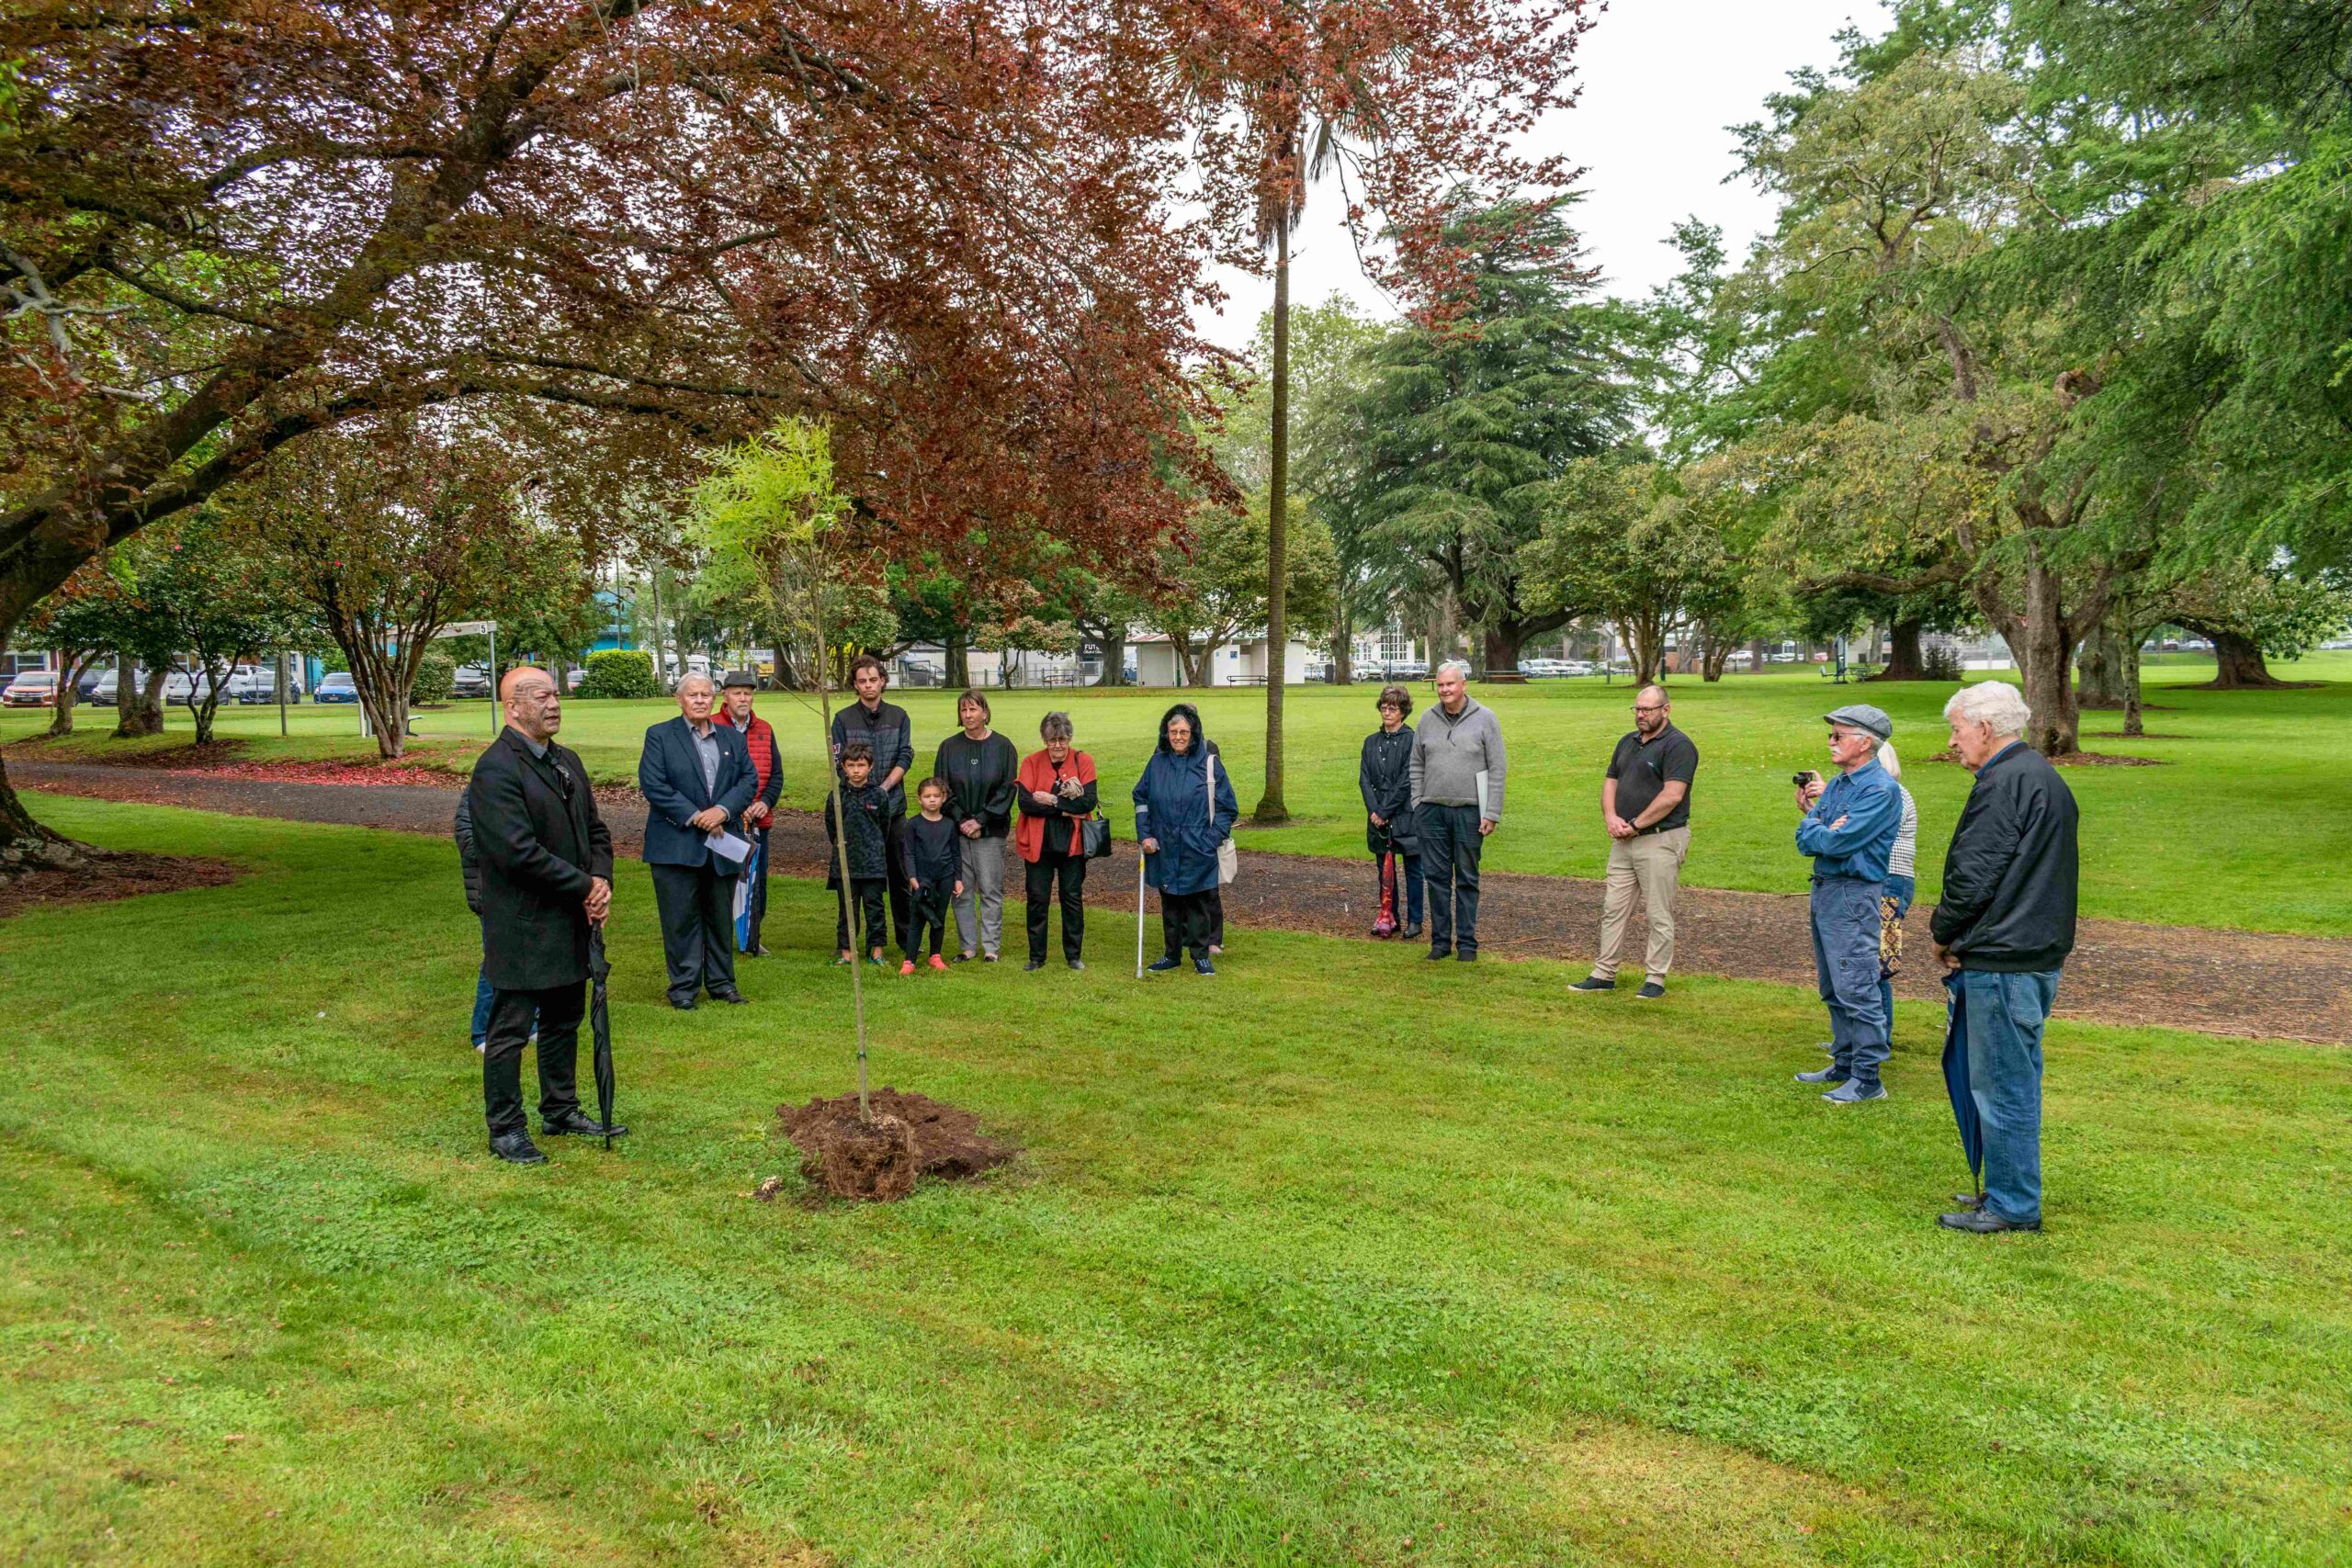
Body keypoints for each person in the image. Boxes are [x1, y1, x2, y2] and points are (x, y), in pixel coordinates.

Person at [1932, 682, 2079, 1235]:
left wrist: (1942, 932)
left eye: (1957, 730)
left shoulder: (2005, 782)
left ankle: (2013, 1204)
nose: (1952, 742)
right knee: (2009, 1078)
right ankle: (2005, 1188)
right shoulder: (2039, 775)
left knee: (2002, 1084)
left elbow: (1974, 876)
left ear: (1985, 730)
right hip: (2029, 949)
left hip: (2006, 956)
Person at [466, 666, 617, 1164]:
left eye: (557, 694)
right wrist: (585, 886)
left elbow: (595, 831)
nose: (555, 704)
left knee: (564, 1018)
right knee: (509, 1028)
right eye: (543, 696)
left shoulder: (565, 760)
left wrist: (601, 881)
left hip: (571, 919)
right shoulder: (495, 769)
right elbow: (517, 852)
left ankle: (560, 1108)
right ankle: (506, 1127)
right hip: (524, 923)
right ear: (513, 707)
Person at [1791, 704, 1905, 1104]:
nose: (1831, 742)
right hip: (1825, 887)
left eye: (1839, 735)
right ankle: (1843, 1062)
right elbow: (1808, 838)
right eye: (1831, 735)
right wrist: (1819, 825)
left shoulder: (1879, 789)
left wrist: (1822, 829)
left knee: (1856, 984)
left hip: (1853, 894)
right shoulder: (1840, 784)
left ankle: (1868, 1076)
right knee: (1833, 985)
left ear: (1865, 742)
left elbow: (1837, 842)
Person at [1570, 684, 1698, 999]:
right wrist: (1611, 817)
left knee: (1658, 913)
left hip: (1660, 838)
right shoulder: (1627, 742)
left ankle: (1655, 977)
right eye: (1637, 709)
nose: (1641, 715)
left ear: (1665, 710)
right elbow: (1610, 781)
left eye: (1647, 710)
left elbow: (1673, 795)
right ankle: (1604, 973)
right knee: (1613, 909)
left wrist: (1636, 824)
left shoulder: (1679, 746)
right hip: (1623, 840)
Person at [639, 672, 756, 1010]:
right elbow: (654, 784)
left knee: (719, 917)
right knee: (680, 919)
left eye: (706, 694)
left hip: (722, 842)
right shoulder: (660, 735)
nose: (700, 700)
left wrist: (721, 810)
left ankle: (722, 983)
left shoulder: (732, 738)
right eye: (693, 695)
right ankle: (684, 988)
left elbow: (749, 780)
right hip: (675, 844)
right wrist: (696, 816)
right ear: (680, 700)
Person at [1409, 660, 1506, 962]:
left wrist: (1492, 812)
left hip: (1469, 812)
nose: (1444, 690)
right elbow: (1416, 764)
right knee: (1436, 879)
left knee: (1467, 878)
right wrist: (1417, 803)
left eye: (1450, 684)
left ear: (1464, 685)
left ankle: (1467, 944)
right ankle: (1440, 943)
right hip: (1432, 812)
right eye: (1440, 685)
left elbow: (1498, 768)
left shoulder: (1486, 719)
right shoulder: (1427, 719)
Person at [1134, 702, 1238, 976]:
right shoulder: (1156, 763)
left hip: (1197, 844)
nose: (1178, 737)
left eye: (1183, 731)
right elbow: (1141, 797)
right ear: (1165, 733)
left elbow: (1228, 807)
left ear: (1194, 732)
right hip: (1165, 843)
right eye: (1173, 731)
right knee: (1170, 901)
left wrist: (1211, 838)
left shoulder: (1209, 764)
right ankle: (1172, 954)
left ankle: (1200, 955)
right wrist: (1145, 834)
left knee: (1198, 903)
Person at [829, 654, 915, 952]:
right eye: (862, 681)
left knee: (900, 876)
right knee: (859, 880)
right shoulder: (843, 719)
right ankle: (852, 943)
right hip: (858, 813)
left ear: (882, 681)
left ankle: (907, 939)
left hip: (894, 807)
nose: (868, 685)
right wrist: (864, 791)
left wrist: (884, 787)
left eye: (873, 679)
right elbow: (838, 761)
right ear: (855, 684)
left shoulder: (899, 716)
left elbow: (906, 755)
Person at [933, 690, 1019, 962]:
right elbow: (941, 788)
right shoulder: (948, 747)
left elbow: (1007, 790)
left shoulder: (1003, 747)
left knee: (991, 890)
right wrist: (961, 819)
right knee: (961, 890)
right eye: (963, 710)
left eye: (973, 709)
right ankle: (968, 946)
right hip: (957, 831)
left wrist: (981, 820)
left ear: (985, 712)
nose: (968, 715)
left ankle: (991, 947)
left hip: (990, 831)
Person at [1014, 711, 1098, 971]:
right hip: (1039, 843)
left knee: (1071, 898)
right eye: (1052, 740)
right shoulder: (1031, 762)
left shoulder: (1083, 761)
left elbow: (1088, 802)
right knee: (1037, 898)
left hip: (1072, 844)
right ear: (1044, 739)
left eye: (1062, 739)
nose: (1058, 746)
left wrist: (1051, 800)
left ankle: (1073, 955)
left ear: (1070, 738)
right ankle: (1037, 956)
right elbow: (1026, 803)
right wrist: (1066, 807)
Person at [455, 792, 532, 1055]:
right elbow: (469, 844)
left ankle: (530, 1024)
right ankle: (482, 1030)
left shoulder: (520, 794)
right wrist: (512, 844)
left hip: (525, 893)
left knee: (530, 957)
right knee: (496, 960)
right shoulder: (474, 797)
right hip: (491, 896)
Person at [714, 670, 784, 956]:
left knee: (756, 881)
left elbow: (776, 775)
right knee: (722, 880)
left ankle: (752, 937)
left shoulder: (764, 729)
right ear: (725, 695)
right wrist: (733, 807)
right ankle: (718, 939)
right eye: (737, 693)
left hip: (758, 821)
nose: (743, 698)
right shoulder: (712, 725)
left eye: (748, 693)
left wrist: (765, 802)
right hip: (724, 822)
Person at [1358, 684, 1423, 941]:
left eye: (1393, 708)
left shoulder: (1412, 740)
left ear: (1403, 711)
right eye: (1384, 707)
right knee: (1384, 870)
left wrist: (1385, 810)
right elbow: (1365, 779)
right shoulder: (1370, 742)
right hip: (1378, 818)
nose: (1387, 712)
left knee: (1413, 869)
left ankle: (1415, 919)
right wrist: (1375, 811)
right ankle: (1389, 915)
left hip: (1406, 815)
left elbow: (1407, 780)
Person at [825, 741, 890, 965]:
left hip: (873, 864)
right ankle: (846, 952)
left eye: (861, 765)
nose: (856, 770)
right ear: (843, 767)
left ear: (870, 767)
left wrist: (873, 847)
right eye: (851, 765)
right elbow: (831, 827)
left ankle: (877, 952)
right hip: (845, 863)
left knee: (875, 909)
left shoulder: (879, 795)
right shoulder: (836, 795)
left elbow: (885, 827)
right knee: (847, 910)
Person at [899, 777, 966, 975]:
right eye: (927, 796)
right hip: (922, 880)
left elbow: (955, 853)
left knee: (939, 917)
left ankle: (935, 955)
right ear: (919, 799)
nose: (932, 800)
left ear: (943, 798)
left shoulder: (949, 824)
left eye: (936, 796)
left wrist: (958, 878)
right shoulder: (913, 824)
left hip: (945, 877)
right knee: (918, 919)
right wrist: (912, 877)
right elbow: (908, 853)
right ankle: (909, 960)